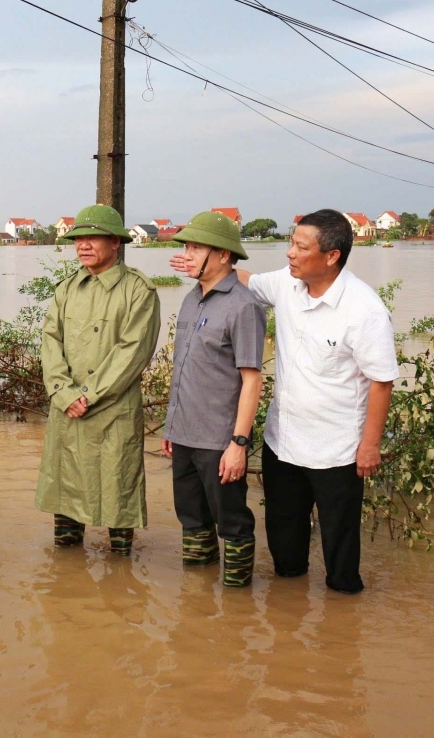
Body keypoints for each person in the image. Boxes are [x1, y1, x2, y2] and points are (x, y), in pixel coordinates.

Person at [174, 209, 398, 593]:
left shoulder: (364, 309)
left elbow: (381, 381)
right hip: (284, 443)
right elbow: (242, 279)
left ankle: (342, 630)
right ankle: (288, 619)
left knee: (341, 559)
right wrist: (204, 259)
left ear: (331, 256)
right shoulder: (286, 284)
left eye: (300, 247)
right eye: (291, 244)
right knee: (285, 554)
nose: (290, 254)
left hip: (337, 450)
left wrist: (370, 446)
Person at [36, 204, 160, 555]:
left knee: (118, 493)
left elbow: (132, 352)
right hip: (67, 410)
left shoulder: (139, 290)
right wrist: (62, 393)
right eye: (79, 239)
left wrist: (87, 395)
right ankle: (67, 580)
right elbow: (50, 342)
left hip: (112, 412)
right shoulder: (67, 289)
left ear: (115, 243)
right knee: (67, 496)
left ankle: (120, 590)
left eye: (93, 238)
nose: (83, 246)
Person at [161, 212, 265, 587]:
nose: (186, 255)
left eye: (195, 247)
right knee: (191, 519)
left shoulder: (243, 306)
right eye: (185, 247)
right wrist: (171, 427)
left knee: (233, 524)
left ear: (223, 254)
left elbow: (252, 381)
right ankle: (198, 601)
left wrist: (238, 444)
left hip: (220, 440)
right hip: (185, 435)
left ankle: (237, 614)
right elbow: (185, 367)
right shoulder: (192, 299)